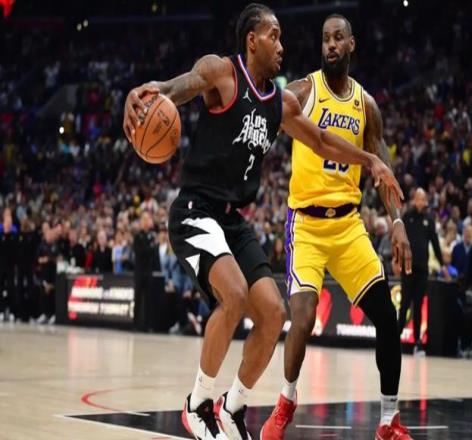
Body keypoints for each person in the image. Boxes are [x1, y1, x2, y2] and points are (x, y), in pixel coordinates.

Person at [123, 4, 403, 439]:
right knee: (234, 296)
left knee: (274, 314)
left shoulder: (280, 102)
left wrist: (369, 160)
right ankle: (198, 403)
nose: (282, 45)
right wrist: (146, 93)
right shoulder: (221, 72)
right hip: (196, 209)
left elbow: (321, 140)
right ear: (252, 40)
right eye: (274, 35)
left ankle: (232, 406)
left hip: (234, 221)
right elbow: (175, 89)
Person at [260, 14, 413, 440]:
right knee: (304, 316)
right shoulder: (303, 91)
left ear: (351, 45)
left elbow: (382, 169)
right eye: (325, 38)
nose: (330, 44)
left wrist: (397, 221)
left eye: (337, 38)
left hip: (347, 226)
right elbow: (266, 105)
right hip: (306, 225)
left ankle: (388, 420)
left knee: (387, 317)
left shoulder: (366, 106)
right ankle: (286, 401)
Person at [399, 188, 443, 355]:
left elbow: (435, 242)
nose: (420, 201)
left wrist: (442, 265)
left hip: (422, 269)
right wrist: (397, 260)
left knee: (418, 306)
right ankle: (395, 340)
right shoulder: (406, 217)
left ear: (426, 201)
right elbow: (399, 241)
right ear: (414, 200)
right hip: (407, 268)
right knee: (404, 305)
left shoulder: (429, 220)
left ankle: (417, 343)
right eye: (418, 198)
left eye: (423, 198)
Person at [132, 211, 156, 331]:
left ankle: (147, 325)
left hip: (148, 272)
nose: (146, 222)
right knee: (138, 298)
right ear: (141, 222)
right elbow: (139, 252)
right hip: (139, 272)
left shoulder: (152, 236)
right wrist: (149, 248)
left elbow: (153, 253)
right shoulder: (137, 237)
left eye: (148, 219)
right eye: (144, 219)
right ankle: (135, 324)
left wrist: (148, 249)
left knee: (148, 299)